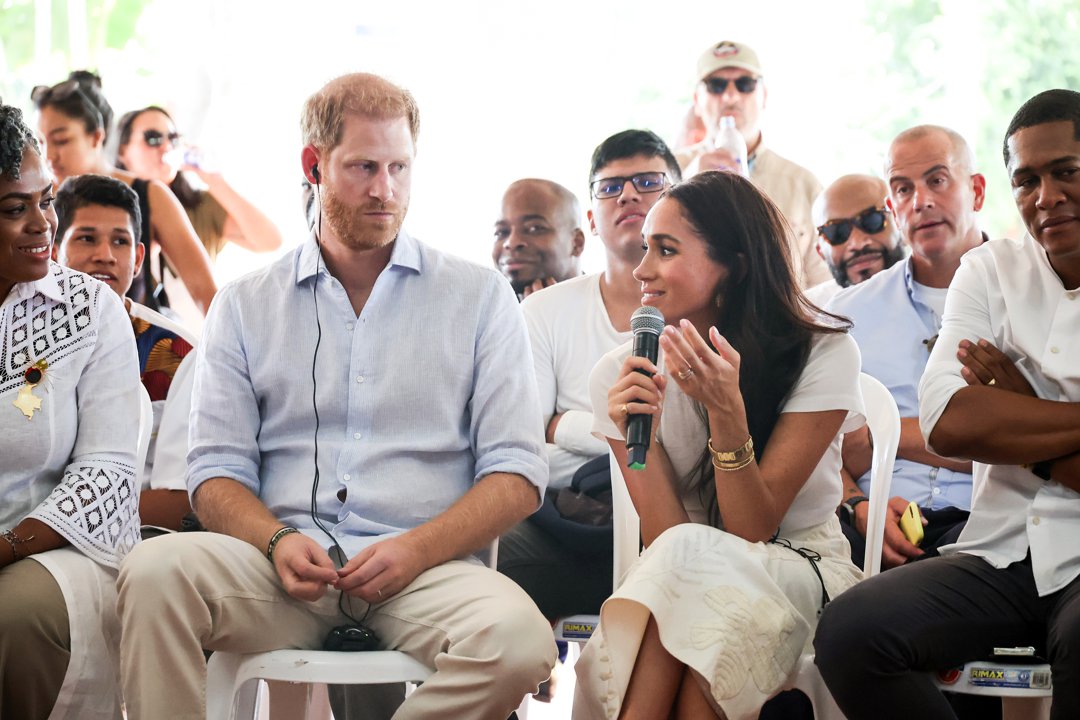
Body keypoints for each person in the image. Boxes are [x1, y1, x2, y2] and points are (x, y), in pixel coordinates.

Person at [114, 72, 555, 720]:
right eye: (364, 168)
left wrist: (418, 549)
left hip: (424, 572)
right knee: (152, 575)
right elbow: (213, 474)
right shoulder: (245, 304)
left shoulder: (478, 298)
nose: (386, 189)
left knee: (520, 642)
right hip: (278, 576)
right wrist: (273, 541)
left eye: (399, 167)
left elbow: (518, 471)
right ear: (313, 165)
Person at [815, 88, 1080, 720]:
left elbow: (970, 426)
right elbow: (949, 420)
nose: (1046, 197)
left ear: (972, 190)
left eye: (1066, 172)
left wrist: (1018, 411)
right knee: (852, 632)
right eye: (1029, 180)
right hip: (1002, 547)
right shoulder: (989, 270)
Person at [572, 170, 865, 719]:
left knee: (691, 597)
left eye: (665, 250)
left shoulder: (821, 354)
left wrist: (726, 414)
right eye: (643, 250)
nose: (641, 271)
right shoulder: (621, 374)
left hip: (800, 566)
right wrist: (645, 440)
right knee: (688, 584)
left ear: (734, 265)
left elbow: (754, 529)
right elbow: (665, 539)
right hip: (681, 573)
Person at [0, 101, 141, 720]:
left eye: (47, 200)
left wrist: (5, 548)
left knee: (15, 616)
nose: (41, 224)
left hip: (53, 544)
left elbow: (108, 473)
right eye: (14, 209)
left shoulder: (87, 310)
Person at [826, 127, 987, 570]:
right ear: (893, 209)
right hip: (865, 528)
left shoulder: (1029, 294)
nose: (920, 201)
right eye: (903, 189)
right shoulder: (845, 314)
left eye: (937, 180)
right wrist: (858, 505)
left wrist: (888, 432)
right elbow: (819, 448)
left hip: (993, 525)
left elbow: (1025, 447)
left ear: (975, 191)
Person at [52, 173, 196, 532]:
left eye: (120, 242)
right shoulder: (22, 336)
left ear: (137, 259)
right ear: (53, 249)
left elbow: (178, 501)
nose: (105, 256)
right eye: (86, 238)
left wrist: (53, 524)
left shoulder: (176, 355)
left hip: (132, 541)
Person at [31, 71, 216, 315]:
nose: (49, 156)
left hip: (137, 345)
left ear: (97, 136)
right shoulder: (37, 202)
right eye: (41, 143)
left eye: (62, 140)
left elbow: (208, 296)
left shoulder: (150, 195)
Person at [676, 40, 830, 290]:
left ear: (764, 96)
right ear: (697, 99)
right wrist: (684, 184)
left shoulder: (801, 184)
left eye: (745, 84)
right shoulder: (670, 171)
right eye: (715, 85)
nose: (730, 96)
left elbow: (823, 286)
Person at [114, 105, 283, 261]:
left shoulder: (200, 207)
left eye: (173, 138)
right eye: (153, 138)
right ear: (122, 151)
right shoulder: (109, 210)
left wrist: (215, 181)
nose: (166, 146)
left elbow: (270, 241)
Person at [805, 173, 906, 307]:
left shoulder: (941, 295)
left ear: (901, 224)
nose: (857, 244)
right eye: (837, 232)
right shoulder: (807, 316)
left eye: (872, 221)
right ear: (820, 252)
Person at [493, 178, 584, 298]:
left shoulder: (608, 309)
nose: (512, 242)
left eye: (534, 228)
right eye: (501, 232)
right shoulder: (483, 311)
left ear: (576, 243)